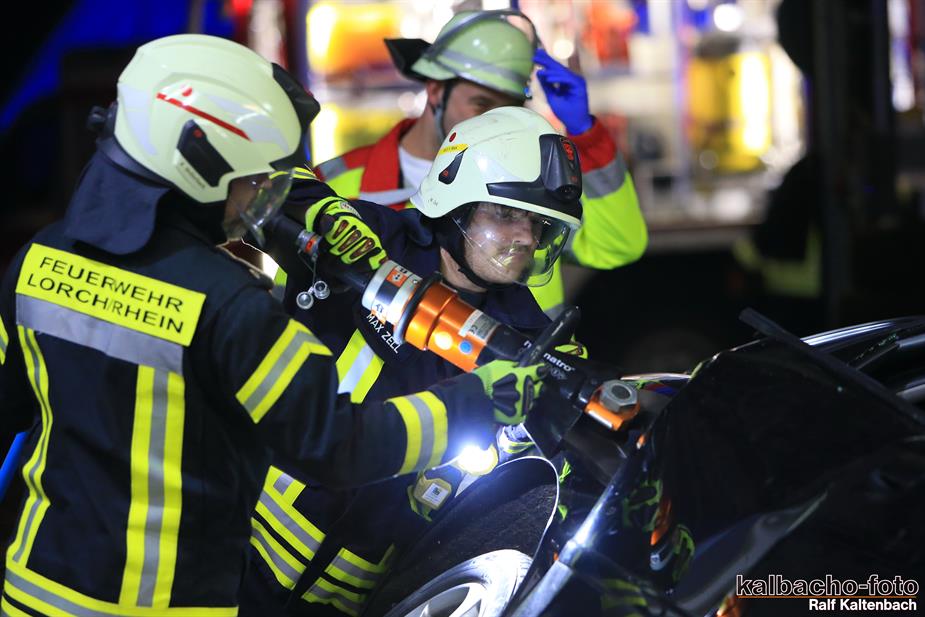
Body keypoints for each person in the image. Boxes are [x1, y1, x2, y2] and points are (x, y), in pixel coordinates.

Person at [0, 34, 545, 616]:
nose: (263, 196)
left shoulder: (38, 260)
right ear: (199, 167)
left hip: (32, 594)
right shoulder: (232, 305)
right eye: (255, 178)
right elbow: (339, 446)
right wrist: (475, 402)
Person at [239, 106, 582, 616]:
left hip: (354, 602)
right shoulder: (373, 240)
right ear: (455, 197)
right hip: (235, 549)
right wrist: (325, 214)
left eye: (538, 224)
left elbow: (559, 473)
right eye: (507, 214)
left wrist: (573, 403)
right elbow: (261, 178)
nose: (527, 238)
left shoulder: (527, 340)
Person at [306, 9, 647, 318]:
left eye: (509, 109)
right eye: (482, 104)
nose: (495, 122)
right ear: (436, 91)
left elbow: (617, 244)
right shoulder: (338, 184)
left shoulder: (533, 182)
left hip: (524, 366)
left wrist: (585, 133)